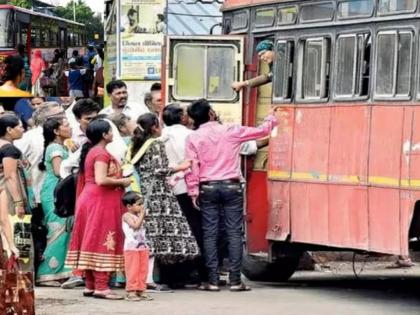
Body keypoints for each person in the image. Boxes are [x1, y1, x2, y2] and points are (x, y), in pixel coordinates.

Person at [185, 98, 279, 291]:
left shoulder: (192, 138)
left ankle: (212, 281)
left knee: (210, 233)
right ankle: (235, 281)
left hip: (207, 187)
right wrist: (272, 114)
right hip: (232, 186)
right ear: (211, 113)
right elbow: (262, 130)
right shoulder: (230, 130)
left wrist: (193, 191)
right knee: (234, 232)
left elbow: (191, 167)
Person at [131, 113, 200, 290]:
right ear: (154, 127)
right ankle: (153, 279)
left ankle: (153, 277)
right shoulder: (156, 143)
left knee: (151, 234)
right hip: (158, 193)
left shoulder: (138, 144)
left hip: (146, 190)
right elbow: (159, 169)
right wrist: (182, 166)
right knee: (163, 234)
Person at [65, 119, 130, 299]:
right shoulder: (101, 153)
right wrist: (122, 181)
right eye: (110, 130)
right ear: (104, 134)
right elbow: (101, 179)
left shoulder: (93, 151)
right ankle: (101, 286)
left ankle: (91, 285)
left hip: (92, 199)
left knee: (92, 238)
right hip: (101, 200)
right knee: (102, 238)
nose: (112, 133)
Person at [161, 104, 208, 287]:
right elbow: (193, 161)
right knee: (195, 231)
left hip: (166, 189)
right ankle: (200, 274)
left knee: (172, 232)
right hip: (186, 188)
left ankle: (173, 277)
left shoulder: (161, 135)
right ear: (182, 118)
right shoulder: (188, 135)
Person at [36, 117, 73, 285]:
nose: (70, 127)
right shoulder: (55, 148)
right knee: (56, 230)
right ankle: (46, 273)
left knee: (64, 230)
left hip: (58, 190)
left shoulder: (61, 146)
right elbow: (59, 171)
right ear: (56, 131)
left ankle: (59, 271)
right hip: (54, 192)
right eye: (66, 125)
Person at [0, 114, 32, 271]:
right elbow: (10, 176)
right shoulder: (9, 150)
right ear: (9, 130)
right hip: (10, 196)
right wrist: (19, 203)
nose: (23, 129)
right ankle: (20, 274)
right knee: (19, 234)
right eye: (19, 126)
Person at [121, 191, 153, 301]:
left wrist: (143, 215)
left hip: (142, 247)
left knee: (143, 269)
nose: (141, 206)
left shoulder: (139, 215)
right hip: (131, 248)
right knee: (133, 269)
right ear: (129, 206)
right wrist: (142, 215)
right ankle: (131, 291)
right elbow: (135, 226)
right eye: (139, 204)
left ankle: (141, 289)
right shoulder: (127, 216)